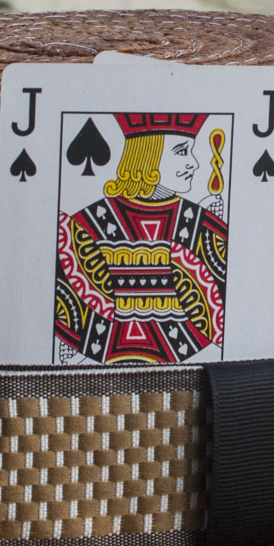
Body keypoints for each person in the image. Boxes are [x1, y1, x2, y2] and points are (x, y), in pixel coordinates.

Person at [54, 113, 229, 363]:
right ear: (147, 156)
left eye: (191, 152)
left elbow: (219, 316)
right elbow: (69, 307)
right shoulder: (92, 223)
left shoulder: (199, 225)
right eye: (181, 152)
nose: (194, 164)